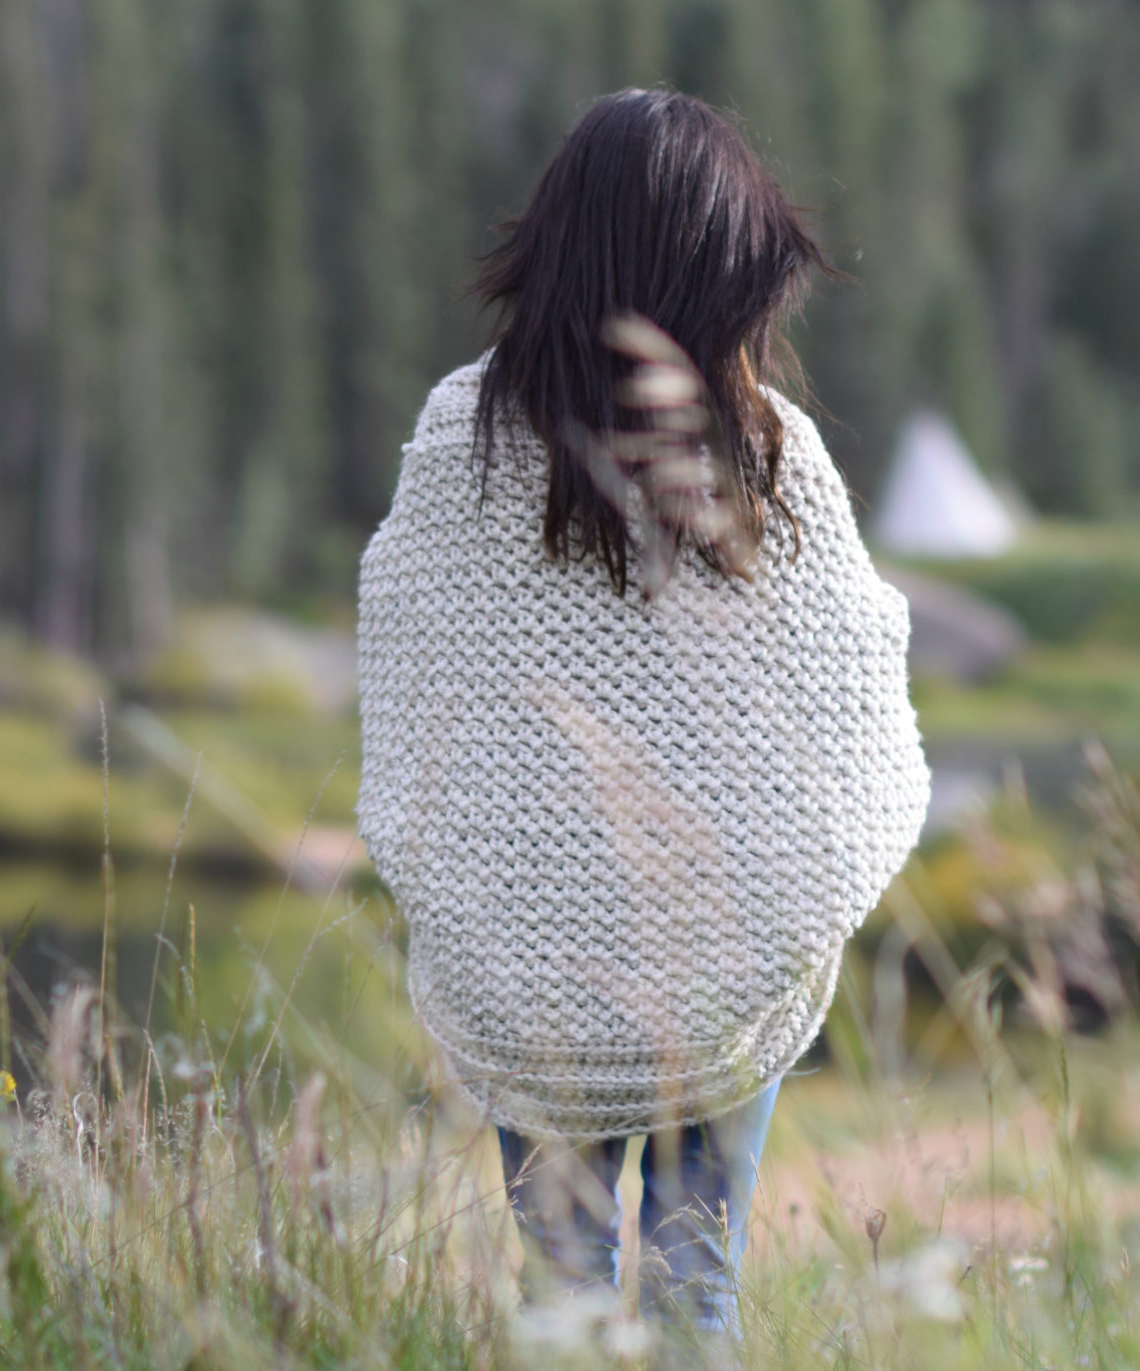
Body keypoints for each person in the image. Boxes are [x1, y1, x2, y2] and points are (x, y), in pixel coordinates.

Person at [355, 88, 930, 1335]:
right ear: (722, 265)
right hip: (720, 969)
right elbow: (855, 690)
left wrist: (458, 897)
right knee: (695, 1290)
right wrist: (791, 908)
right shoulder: (766, 449)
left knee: (560, 1295)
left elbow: (408, 663)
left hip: (531, 970)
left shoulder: (466, 433)